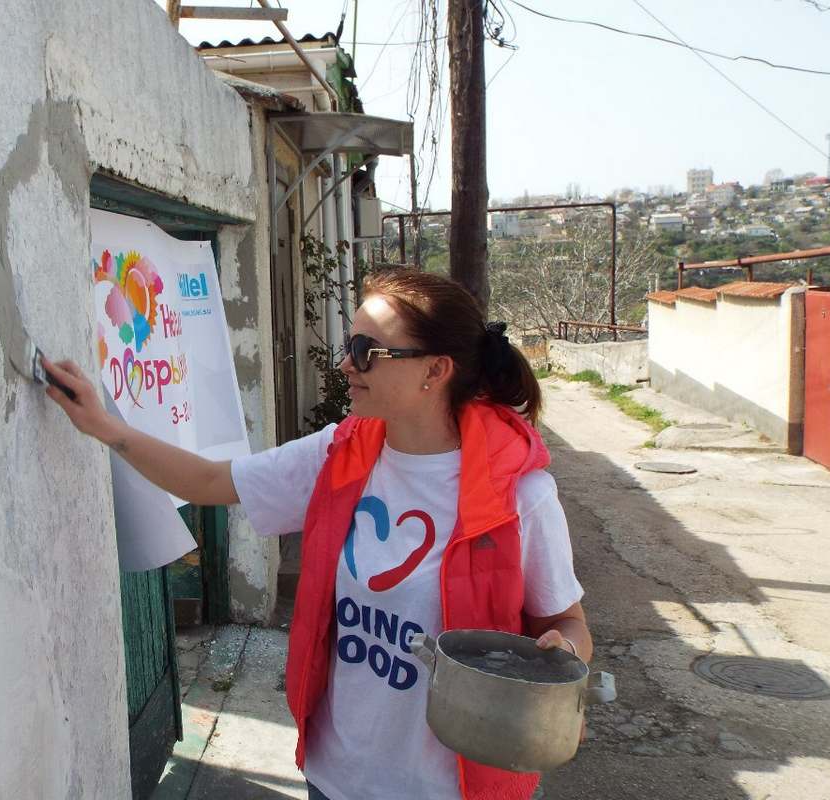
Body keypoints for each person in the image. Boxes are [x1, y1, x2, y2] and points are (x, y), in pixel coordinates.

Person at [42, 269, 592, 800]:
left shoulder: (520, 496)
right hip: (335, 776)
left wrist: (559, 654)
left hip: (449, 788)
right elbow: (208, 481)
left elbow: (567, 624)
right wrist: (103, 426)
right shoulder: (339, 454)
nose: (345, 364)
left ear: (435, 369)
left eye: (365, 351)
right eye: (349, 345)